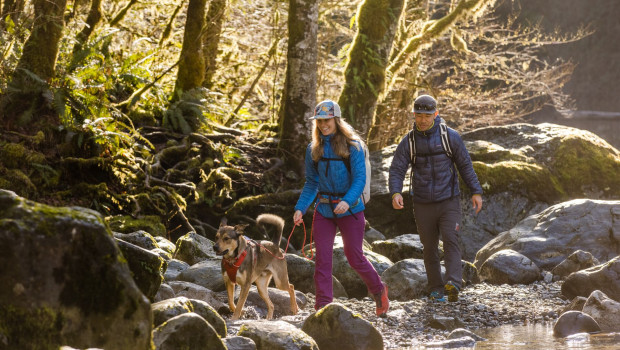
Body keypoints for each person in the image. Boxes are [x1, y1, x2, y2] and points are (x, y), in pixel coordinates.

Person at [293, 99, 389, 317]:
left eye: (327, 120)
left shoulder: (353, 146)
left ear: (336, 119)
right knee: (322, 259)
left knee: (354, 256)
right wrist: (300, 208)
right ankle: (323, 307)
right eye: (319, 121)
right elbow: (311, 182)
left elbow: (359, 179)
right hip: (324, 210)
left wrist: (346, 201)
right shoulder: (313, 149)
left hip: (351, 209)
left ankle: (378, 290)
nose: (323, 125)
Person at [389, 94, 483, 302]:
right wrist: (395, 192)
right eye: (419, 115)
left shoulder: (450, 137)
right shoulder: (409, 142)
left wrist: (476, 192)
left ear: (436, 114)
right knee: (429, 246)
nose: (423, 120)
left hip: (449, 200)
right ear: (414, 115)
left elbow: (465, 165)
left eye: (427, 115)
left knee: (451, 238)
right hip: (422, 203)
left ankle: (453, 284)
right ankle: (435, 288)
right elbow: (397, 169)